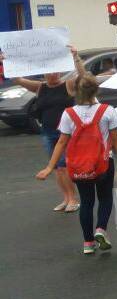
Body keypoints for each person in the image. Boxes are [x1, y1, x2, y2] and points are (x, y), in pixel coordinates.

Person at [37, 74, 117, 254]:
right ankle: (100, 229)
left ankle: (88, 243)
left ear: (75, 91)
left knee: (87, 202)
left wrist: (49, 168)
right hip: (104, 163)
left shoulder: (69, 114)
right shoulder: (107, 110)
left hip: (79, 166)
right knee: (105, 198)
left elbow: (61, 142)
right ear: (96, 90)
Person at [2, 47, 81, 212]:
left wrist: (76, 57)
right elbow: (18, 79)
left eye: (55, 72)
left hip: (65, 133)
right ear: (44, 73)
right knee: (57, 169)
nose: (52, 75)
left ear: (59, 72)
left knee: (63, 166)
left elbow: (83, 77)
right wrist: (6, 62)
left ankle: (73, 199)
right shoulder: (40, 87)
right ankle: (66, 198)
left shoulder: (68, 85)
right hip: (47, 132)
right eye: (49, 72)